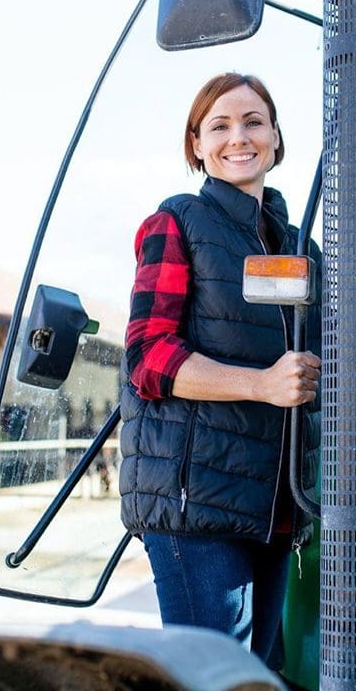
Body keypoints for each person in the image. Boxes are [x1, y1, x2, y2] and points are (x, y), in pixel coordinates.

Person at [118, 72, 322, 664]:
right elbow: (147, 357)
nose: (239, 137)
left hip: (276, 506)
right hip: (197, 509)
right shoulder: (177, 223)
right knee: (213, 676)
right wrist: (262, 385)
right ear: (197, 145)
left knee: (254, 674)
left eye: (254, 122)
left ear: (276, 137)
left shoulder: (298, 248)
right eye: (220, 126)